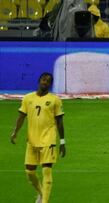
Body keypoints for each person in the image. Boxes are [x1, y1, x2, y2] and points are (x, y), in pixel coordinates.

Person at [10, 73, 65, 203]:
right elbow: (21, 116)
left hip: (48, 139)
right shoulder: (28, 98)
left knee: (46, 170)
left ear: (50, 84)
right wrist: (15, 132)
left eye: (48, 81)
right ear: (39, 80)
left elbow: (60, 121)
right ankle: (41, 193)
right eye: (43, 79)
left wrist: (62, 141)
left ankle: (45, 201)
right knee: (30, 172)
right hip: (32, 140)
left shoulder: (55, 100)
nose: (45, 82)